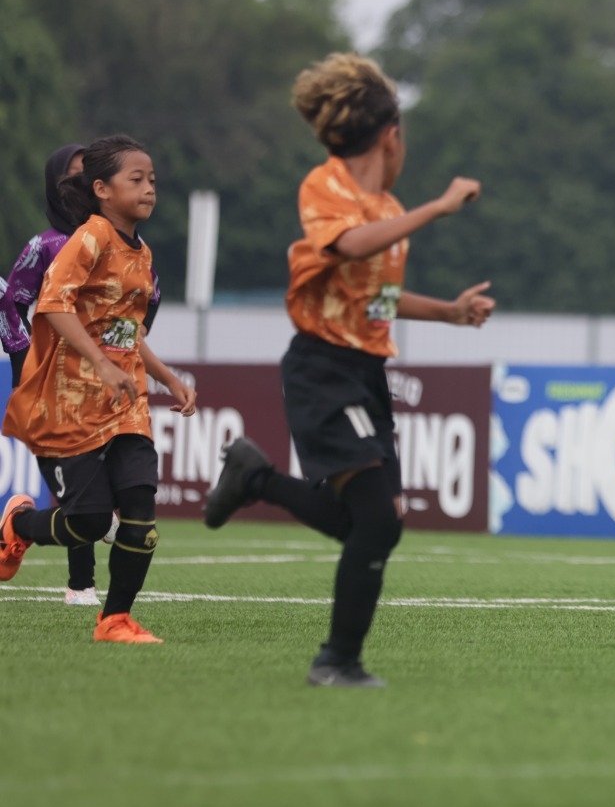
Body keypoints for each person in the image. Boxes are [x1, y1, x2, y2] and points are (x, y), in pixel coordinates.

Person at [202, 52, 494, 689]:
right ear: (391, 136)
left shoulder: (387, 205)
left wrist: (450, 312)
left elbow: (374, 296)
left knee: (377, 524)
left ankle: (256, 478)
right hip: (322, 368)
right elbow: (348, 245)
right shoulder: (326, 186)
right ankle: (336, 663)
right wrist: (438, 208)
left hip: (364, 371)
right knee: (378, 522)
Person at [0, 135, 197, 643]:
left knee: (141, 512)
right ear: (103, 190)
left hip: (125, 405)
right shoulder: (87, 239)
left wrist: (168, 377)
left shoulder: (143, 252)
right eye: (137, 179)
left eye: (153, 179)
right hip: (68, 405)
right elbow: (51, 305)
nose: (150, 188)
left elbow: (128, 334)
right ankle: (19, 526)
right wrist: (98, 366)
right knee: (86, 523)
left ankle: (114, 620)